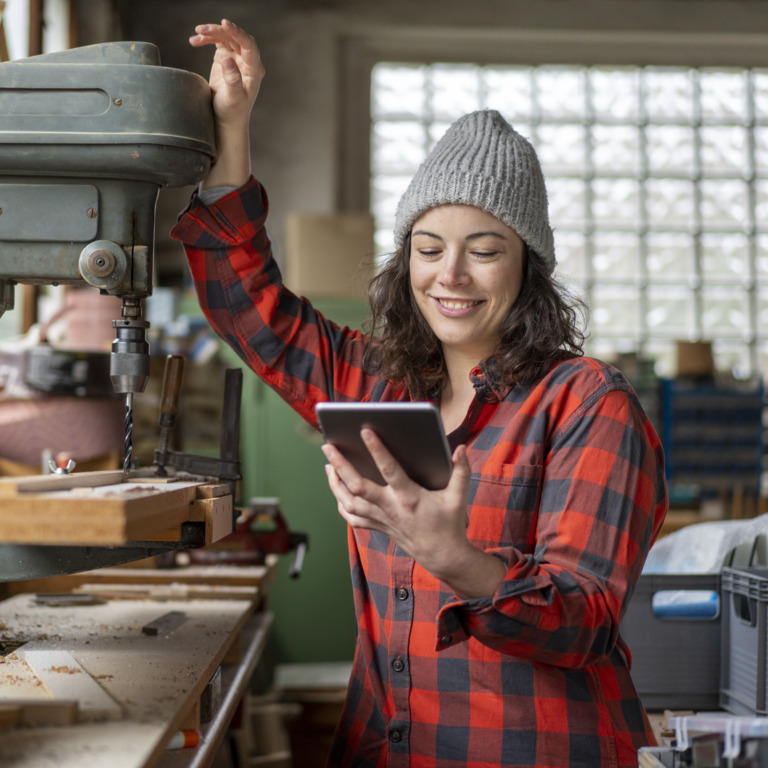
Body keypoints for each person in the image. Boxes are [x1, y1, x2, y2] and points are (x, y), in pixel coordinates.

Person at [172, 20, 668, 768]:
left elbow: (583, 620)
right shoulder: (377, 382)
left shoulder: (588, 403)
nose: (451, 277)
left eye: (486, 250)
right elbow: (251, 311)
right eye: (430, 249)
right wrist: (232, 127)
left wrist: (453, 555)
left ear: (527, 268)